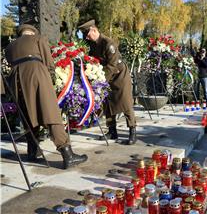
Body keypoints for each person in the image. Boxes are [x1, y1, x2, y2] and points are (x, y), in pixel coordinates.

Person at [5, 24, 87, 169]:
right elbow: (48, 62)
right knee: (51, 113)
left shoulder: (10, 46)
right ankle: (67, 155)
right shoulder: (38, 39)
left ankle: (33, 151)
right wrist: (52, 80)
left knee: (28, 115)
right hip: (36, 75)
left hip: (16, 81)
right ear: (32, 32)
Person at [78, 20, 137, 145]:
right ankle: (112, 131)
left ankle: (132, 131)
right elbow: (93, 60)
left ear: (94, 30)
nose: (87, 37)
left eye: (88, 34)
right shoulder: (93, 44)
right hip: (106, 76)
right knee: (108, 103)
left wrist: (101, 80)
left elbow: (111, 65)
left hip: (119, 75)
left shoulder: (108, 43)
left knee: (125, 102)